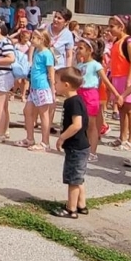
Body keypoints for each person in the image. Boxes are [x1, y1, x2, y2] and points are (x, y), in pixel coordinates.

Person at [51, 67, 90, 219]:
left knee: (73, 180)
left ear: (66, 85)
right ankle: (82, 204)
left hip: (76, 146)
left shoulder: (71, 102)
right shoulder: (77, 99)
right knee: (78, 178)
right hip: (82, 145)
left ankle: (71, 209)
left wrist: (62, 137)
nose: (54, 85)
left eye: (56, 82)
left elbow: (77, 124)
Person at [75, 38, 120, 163]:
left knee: (91, 124)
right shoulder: (79, 65)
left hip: (91, 94)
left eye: (81, 48)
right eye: (78, 48)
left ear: (90, 50)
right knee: (81, 123)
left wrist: (116, 94)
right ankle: (83, 148)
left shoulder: (96, 65)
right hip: (80, 93)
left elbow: (105, 80)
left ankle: (93, 152)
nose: (78, 51)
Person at [108, 15, 131, 153]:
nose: (109, 29)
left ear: (121, 27)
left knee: (130, 110)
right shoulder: (117, 41)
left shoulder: (130, 42)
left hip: (128, 78)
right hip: (117, 78)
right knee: (121, 109)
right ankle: (122, 137)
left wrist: (130, 79)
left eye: (112, 26)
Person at [16, 29, 54, 151]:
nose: (31, 40)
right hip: (34, 87)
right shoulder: (37, 51)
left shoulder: (47, 54)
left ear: (41, 39)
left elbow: (51, 72)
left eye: (34, 38)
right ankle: (30, 138)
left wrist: (53, 91)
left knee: (44, 114)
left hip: (42, 87)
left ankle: (45, 142)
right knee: (27, 111)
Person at [12, 29, 32, 102]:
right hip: (18, 63)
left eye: (28, 37)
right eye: (26, 37)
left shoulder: (29, 44)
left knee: (25, 81)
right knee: (18, 80)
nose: (27, 39)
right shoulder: (17, 44)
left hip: (26, 63)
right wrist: (17, 33)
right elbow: (9, 39)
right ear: (22, 36)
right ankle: (13, 93)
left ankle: (23, 95)